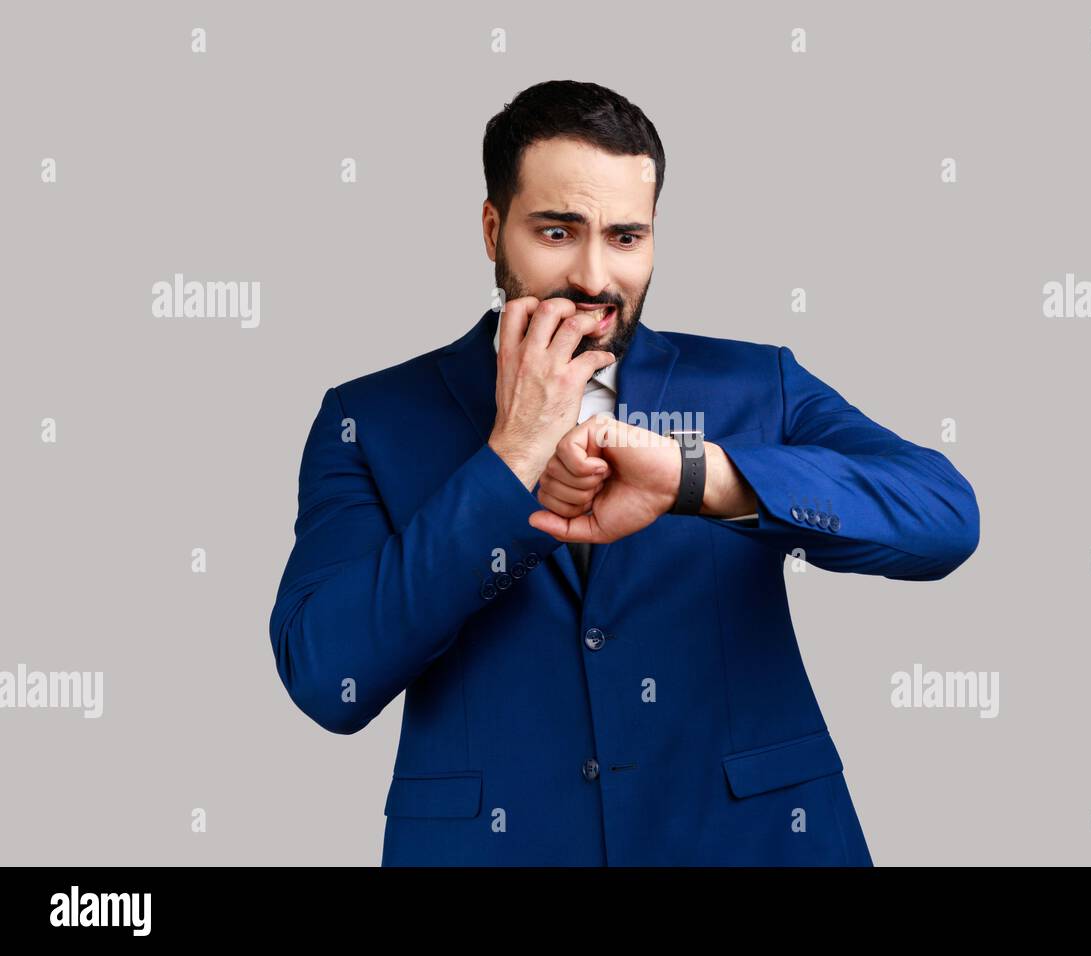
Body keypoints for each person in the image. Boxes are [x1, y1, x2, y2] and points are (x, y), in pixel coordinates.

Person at [269, 80, 980, 866]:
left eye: (626, 237)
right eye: (557, 231)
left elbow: (945, 517)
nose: (594, 276)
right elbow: (326, 677)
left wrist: (697, 479)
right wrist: (509, 459)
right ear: (493, 230)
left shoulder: (757, 385)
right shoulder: (368, 419)